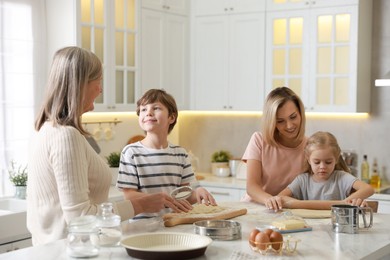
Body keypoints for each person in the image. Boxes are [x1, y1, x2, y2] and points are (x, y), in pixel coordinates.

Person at [27, 47, 177, 246]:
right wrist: (140, 204)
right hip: (70, 251)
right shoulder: (65, 136)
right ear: (81, 84)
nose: (100, 89)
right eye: (98, 81)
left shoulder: (45, 129)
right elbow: (80, 217)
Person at [117, 89, 217, 219]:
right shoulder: (131, 152)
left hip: (173, 223)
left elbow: (185, 195)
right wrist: (163, 199)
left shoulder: (180, 154)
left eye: (156, 108)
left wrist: (198, 192)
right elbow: (128, 195)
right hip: (141, 227)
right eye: (143, 110)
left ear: (171, 117)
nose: (148, 113)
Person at [242, 87, 307, 211]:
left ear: (300, 113)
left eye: (293, 117)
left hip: (289, 212)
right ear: (272, 122)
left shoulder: (310, 147)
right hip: (256, 209)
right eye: (280, 121)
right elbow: (252, 186)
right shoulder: (259, 140)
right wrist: (269, 199)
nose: (289, 126)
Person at [278, 131, 375, 209]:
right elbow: (280, 197)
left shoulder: (341, 177)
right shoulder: (302, 180)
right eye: (317, 162)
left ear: (336, 159)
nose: (322, 166)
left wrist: (349, 201)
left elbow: (368, 189)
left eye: (328, 162)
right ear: (308, 159)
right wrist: (342, 203)